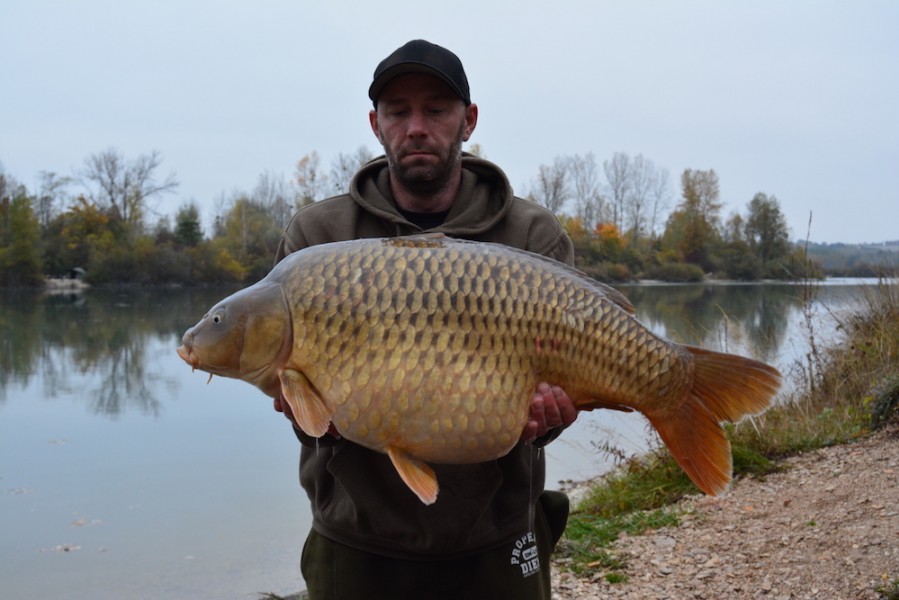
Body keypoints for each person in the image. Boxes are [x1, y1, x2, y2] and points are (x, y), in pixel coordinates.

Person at [273, 39, 579, 600]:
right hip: (357, 537)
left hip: (497, 532)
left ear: (468, 119)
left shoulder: (532, 236)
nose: (416, 127)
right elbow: (305, 415)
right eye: (398, 111)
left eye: (436, 109)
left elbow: (556, 402)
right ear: (376, 123)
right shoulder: (316, 240)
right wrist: (303, 411)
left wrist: (554, 417)